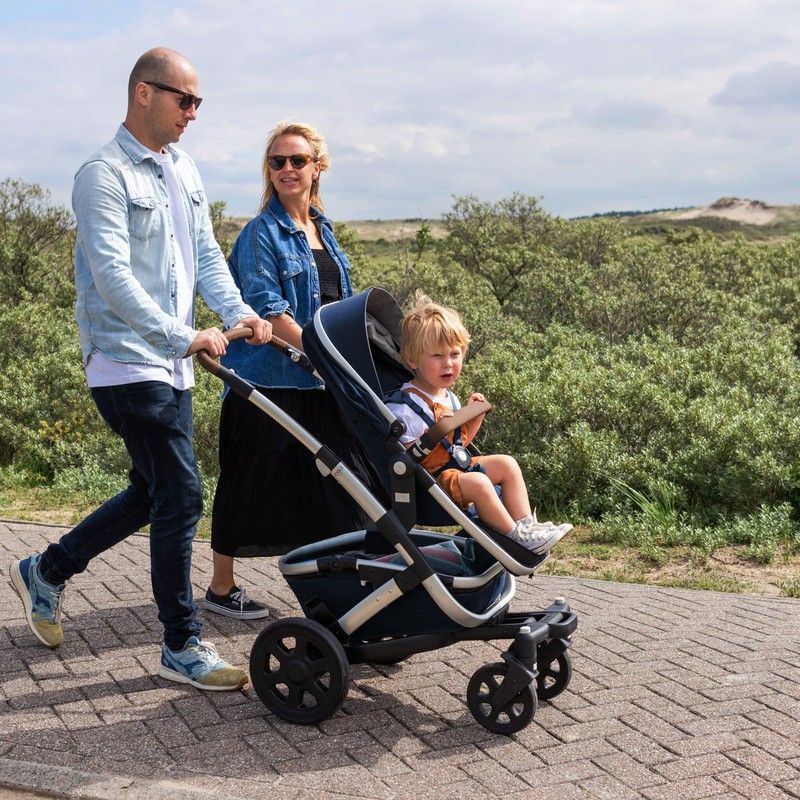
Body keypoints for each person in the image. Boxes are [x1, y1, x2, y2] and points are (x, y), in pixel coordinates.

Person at [8, 47, 272, 691]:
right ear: (143, 93)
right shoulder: (101, 175)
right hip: (124, 360)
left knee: (151, 491)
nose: (193, 113)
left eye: (198, 102)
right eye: (185, 99)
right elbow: (113, 277)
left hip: (172, 364)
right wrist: (184, 336)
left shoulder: (182, 168)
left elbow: (205, 254)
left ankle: (47, 569)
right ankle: (181, 644)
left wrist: (240, 312)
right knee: (181, 494)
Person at [205, 121, 379, 619]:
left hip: (321, 380)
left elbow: (337, 305)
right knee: (248, 480)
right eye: (277, 161)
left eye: (297, 160)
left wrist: (349, 357)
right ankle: (221, 589)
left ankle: (338, 583)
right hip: (269, 380)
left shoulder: (324, 230)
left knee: (344, 478)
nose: (286, 168)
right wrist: (326, 357)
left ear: (317, 167)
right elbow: (270, 310)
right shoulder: (260, 234)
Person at [386, 293, 572, 553]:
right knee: (481, 483)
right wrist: (432, 435)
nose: (448, 363)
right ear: (413, 360)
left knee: (507, 464)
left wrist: (473, 418)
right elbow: (406, 460)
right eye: (437, 356)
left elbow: (458, 445)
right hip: (432, 485)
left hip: (455, 468)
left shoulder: (448, 396)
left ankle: (526, 526)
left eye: (455, 354)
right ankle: (513, 536)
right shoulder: (403, 407)